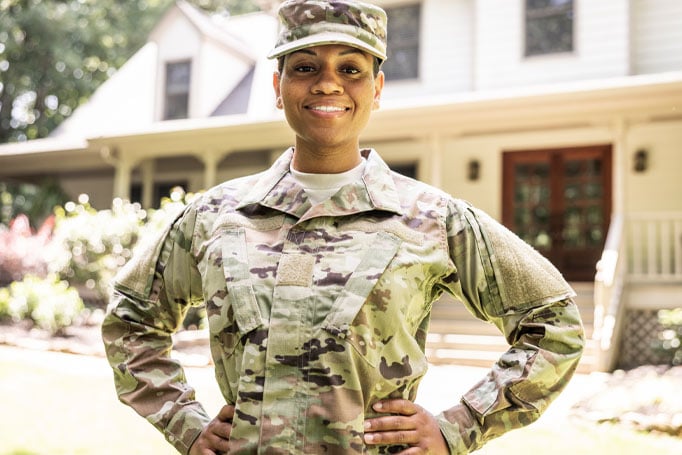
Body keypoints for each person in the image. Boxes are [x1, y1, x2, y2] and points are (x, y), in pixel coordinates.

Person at [102, 1, 585, 454]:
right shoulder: (215, 215)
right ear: (277, 87)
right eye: (305, 67)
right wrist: (185, 425)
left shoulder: (432, 218)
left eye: (351, 69)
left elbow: (554, 324)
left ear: (376, 89)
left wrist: (458, 425)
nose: (327, 84)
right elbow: (131, 319)